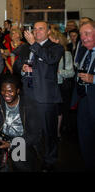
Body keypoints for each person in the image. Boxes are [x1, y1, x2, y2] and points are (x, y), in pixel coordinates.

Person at [20, 21, 64, 171]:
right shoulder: (27, 47)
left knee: (49, 132)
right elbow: (17, 65)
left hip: (45, 97)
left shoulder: (56, 47)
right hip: (29, 95)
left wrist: (34, 44)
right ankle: (37, 156)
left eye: (41, 29)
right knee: (33, 129)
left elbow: (50, 60)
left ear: (48, 32)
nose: (37, 31)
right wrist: (23, 69)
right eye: (35, 29)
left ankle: (50, 160)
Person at [0, 74, 40, 171]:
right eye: (3, 90)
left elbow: (34, 135)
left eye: (10, 91)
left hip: (21, 139)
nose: (6, 94)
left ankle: (11, 156)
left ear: (17, 91)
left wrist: (11, 144)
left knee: (19, 163)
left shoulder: (28, 105)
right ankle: (2, 163)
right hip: (2, 136)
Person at [72, 21, 95, 170]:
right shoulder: (83, 51)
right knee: (85, 138)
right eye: (81, 34)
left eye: (87, 33)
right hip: (84, 100)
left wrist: (93, 79)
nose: (83, 38)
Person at [48, 29, 75, 139]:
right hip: (48, 85)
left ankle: (57, 132)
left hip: (60, 86)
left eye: (50, 40)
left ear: (57, 40)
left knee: (58, 111)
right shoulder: (46, 52)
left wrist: (59, 72)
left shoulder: (66, 54)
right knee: (48, 110)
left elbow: (71, 72)